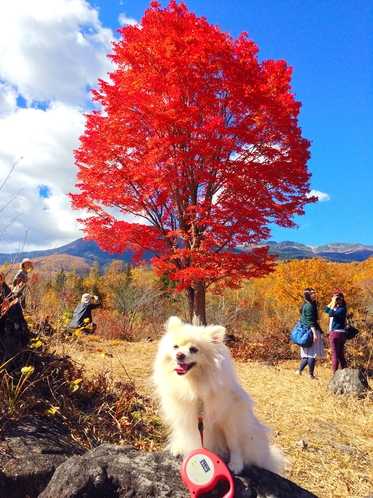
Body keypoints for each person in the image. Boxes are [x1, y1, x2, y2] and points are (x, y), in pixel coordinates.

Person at [295, 288, 325, 379]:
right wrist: (315, 334)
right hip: (309, 332)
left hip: (304, 332)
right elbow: (311, 321)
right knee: (312, 354)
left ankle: (299, 371)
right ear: (307, 295)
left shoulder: (306, 305)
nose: (314, 294)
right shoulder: (309, 306)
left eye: (314, 292)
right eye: (312, 293)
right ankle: (311, 375)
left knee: (307, 355)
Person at [324, 289, 347, 375]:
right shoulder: (341, 308)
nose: (337, 299)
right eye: (335, 297)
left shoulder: (342, 308)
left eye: (339, 297)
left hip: (335, 333)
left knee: (335, 354)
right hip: (341, 333)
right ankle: (345, 371)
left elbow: (330, 314)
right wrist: (332, 302)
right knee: (340, 354)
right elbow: (325, 309)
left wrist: (333, 304)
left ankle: (335, 374)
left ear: (342, 298)